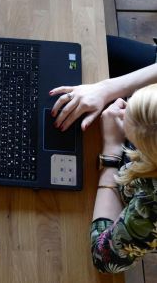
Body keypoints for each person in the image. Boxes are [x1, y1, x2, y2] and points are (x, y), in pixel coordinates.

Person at [49, 37, 157, 273]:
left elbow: (104, 257)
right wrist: (106, 88)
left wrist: (111, 151)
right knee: (91, 49)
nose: (124, 106)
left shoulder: (152, 205)